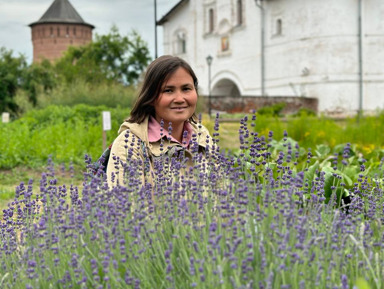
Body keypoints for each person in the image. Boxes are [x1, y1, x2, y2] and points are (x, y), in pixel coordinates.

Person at [106, 55, 212, 188]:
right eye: (168, 90)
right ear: (151, 97)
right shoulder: (129, 145)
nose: (179, 98)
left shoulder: (202, 136)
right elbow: (126, 205)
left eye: (186, 89)